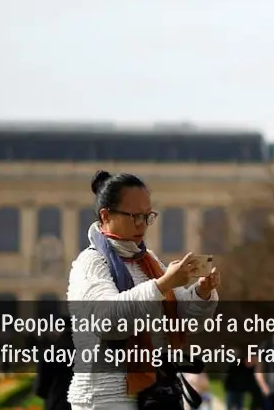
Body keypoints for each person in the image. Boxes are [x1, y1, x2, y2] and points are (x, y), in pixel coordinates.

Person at [67, 170, 221, 410]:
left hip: (153, 394)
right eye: (133, 216)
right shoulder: (92, 262)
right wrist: (163, 284)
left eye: (147, 216)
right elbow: (108, 320)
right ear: (105, 215)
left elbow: (181, 320)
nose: (142, 224)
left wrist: (201, 292)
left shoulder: (147, 260)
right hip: (106, 398)